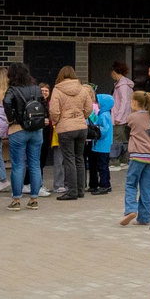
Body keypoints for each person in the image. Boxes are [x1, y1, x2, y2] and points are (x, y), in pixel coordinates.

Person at [1, 62, 46, 209]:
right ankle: (34, 199)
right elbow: (43, 104)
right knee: (35, 164)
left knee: (18, 165)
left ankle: (16, 200)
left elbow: (7, 102)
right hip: (36, 130)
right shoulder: (36, 88)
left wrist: (12, 118)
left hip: (18, 129)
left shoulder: (12, 90)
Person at [48, 65, 94, 201]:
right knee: (80, 158)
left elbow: (54, 111)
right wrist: (82, 117)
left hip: (66, 128)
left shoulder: (57, 89)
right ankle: (80, 190)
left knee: (69, 160)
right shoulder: (82, 88)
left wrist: (56, 122)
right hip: (81, 127)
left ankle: (72, 191)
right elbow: (89, 108)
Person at [119, 89, 150, 227]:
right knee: (147, 188)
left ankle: (130, 209)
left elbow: (126, 128)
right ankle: (145, 216)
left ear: (135, 102)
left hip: (137, 156)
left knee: (131, 183)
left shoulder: (132, 117)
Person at [86, 85, 113, 196]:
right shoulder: (103, 114)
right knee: (100, 165)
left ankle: (105, 185)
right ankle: (101, 184)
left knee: (102, 166)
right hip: (100, 144)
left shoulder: (104, 115)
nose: (96, 103)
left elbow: (104, 130)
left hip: (102, 144)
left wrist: (95, 130)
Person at [109, 62, 133, 165]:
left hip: (119, 118)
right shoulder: (124, 85)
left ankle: (115, 161)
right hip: (124, 117)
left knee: (116, 139)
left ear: (115, 72)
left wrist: (118, 117)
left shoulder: (122, 86)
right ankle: (124, 160)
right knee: (123, 139)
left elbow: (124, 103)